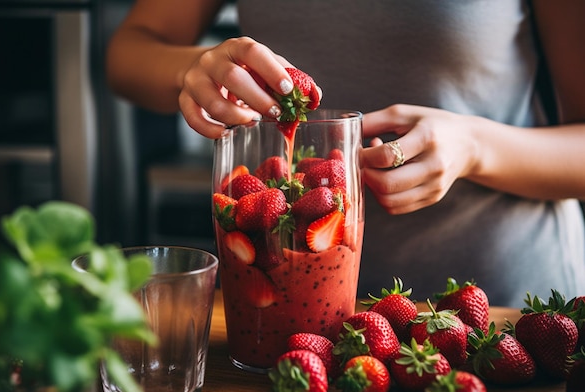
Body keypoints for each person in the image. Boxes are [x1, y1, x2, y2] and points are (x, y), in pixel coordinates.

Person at [106, 0, 585, 307]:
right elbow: (127, 53)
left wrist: (475, 148)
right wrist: (194, 67)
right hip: (292, 316)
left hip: (499, 312)